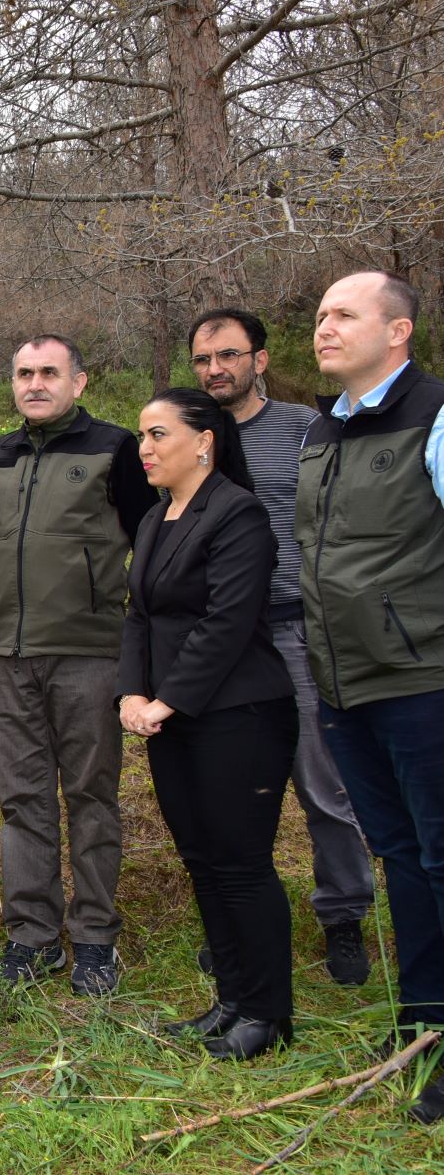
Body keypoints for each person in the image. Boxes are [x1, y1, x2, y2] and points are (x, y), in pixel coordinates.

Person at [295, 271, 444, 1121]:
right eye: (319, 314)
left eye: (343, 314)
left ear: (397, 332)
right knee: (400, 857)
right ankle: (423, 1027)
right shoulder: (325, 430)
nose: (323, 326)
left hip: (424, 682)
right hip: (343, 686)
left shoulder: (434, 415)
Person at [190, 307, 374, 986]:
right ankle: (238, 920)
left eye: (228, 355)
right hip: (216, 637)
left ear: (259, 360)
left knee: (321, 783)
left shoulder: (304, 428)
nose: (216, 369)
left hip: (291, 627)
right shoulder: (189, 433)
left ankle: (344, 914)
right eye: (203, 359)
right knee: (226, 788)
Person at [120, 388, 298, 1061]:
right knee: (200, 859)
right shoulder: (155, 517)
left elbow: (226, 622)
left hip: (239, 715)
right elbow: (138, 615)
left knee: (240, 863)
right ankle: (230, 1000)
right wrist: (130, 693)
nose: (143, 448)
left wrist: (164, 701)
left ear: (203, 442)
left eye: (157, 434)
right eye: (141, 436)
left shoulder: (238, 514)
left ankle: (266, 1014)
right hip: (172, 719)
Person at [0, 335, 156, 995]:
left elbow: (152, 543)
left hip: (88, 652)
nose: (35, 383)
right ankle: (31, 936)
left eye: (49, 372)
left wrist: (141, 646)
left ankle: (94, 937)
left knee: (90, 796)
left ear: (78, 382)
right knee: (21, 800)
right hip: (4, 654)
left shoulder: (114, 448)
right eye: (24, 373)